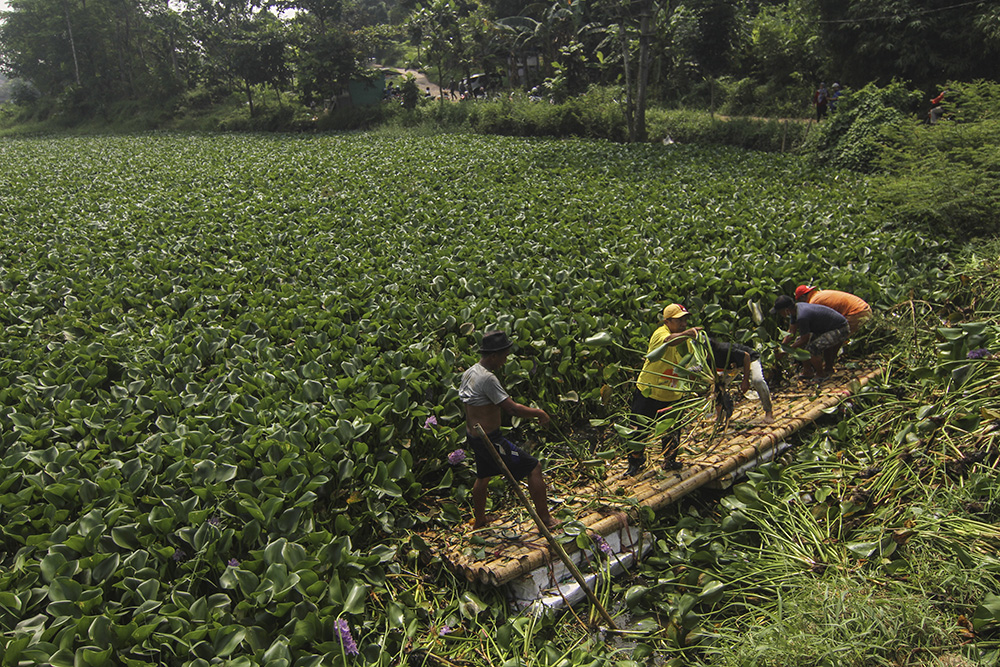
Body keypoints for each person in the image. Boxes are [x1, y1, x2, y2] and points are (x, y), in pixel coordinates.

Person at [459, 331, 560, 530]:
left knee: (483, 476)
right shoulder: (488, 379)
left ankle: (479, 521)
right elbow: (512, 408)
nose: (505, 361)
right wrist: (539, 413)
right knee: (534, 467)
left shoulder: (470, 371)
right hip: (490, 440)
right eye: (504, 356)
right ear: (494, 355)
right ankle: (546, 521)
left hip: (474, 436)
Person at [626, 303, 702, 477]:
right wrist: (687, 333)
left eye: (685, 320)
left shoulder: (687, 341)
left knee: (672, 429)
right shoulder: (660, 334)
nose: (684, 323)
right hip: (649, 391)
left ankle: (670, 460)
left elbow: (690, 362)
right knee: (638, 429)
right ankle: (635, 462)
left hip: (672, 394)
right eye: (679, 320)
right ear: (667, 321)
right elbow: (669, 341)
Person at [771, 295, 850, 379]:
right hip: (825, 329)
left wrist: (786, 351)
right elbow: (791, 332)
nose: (780, 314)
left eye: (780, 312)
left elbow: (805, 339)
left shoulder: (802, 316)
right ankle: (807, 371)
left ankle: (820, 374)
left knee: (812, 349)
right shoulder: (795, 312)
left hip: (840, 328)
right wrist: (781, 348)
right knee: (799, 342)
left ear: (787, 310)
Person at [708, 338, 775, 424]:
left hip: (750, 360)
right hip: (733, 366)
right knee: (718, 386)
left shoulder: (724, 349)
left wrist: (745, 380)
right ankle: (720, 415)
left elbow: (746, 356)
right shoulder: (704, 357)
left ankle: (769, 412)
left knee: (757, 380)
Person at [794, 285, 872, 335]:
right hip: (865, 309)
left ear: (802, 298)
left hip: (857, 312)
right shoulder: (820, 294)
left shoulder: (814, 302)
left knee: (837, 336)